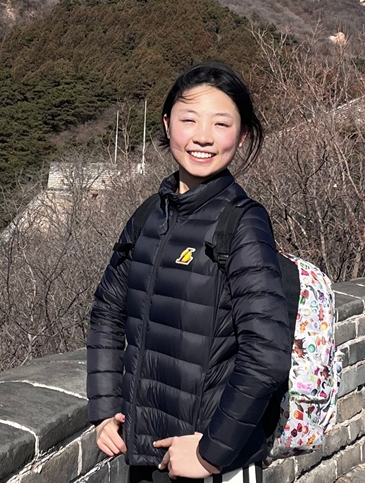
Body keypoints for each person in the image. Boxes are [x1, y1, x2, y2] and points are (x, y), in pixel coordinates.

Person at [86, 61, 291, 482]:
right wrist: (105, 409)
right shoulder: (150, 215)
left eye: (221, 123)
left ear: (242, 135)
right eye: (189, 120)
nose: (203, 136)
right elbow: (107, 313)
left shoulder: (242, 223)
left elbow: (267, 356)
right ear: (167, 124)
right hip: (146, 452)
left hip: (210, 460)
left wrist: (210, 453)